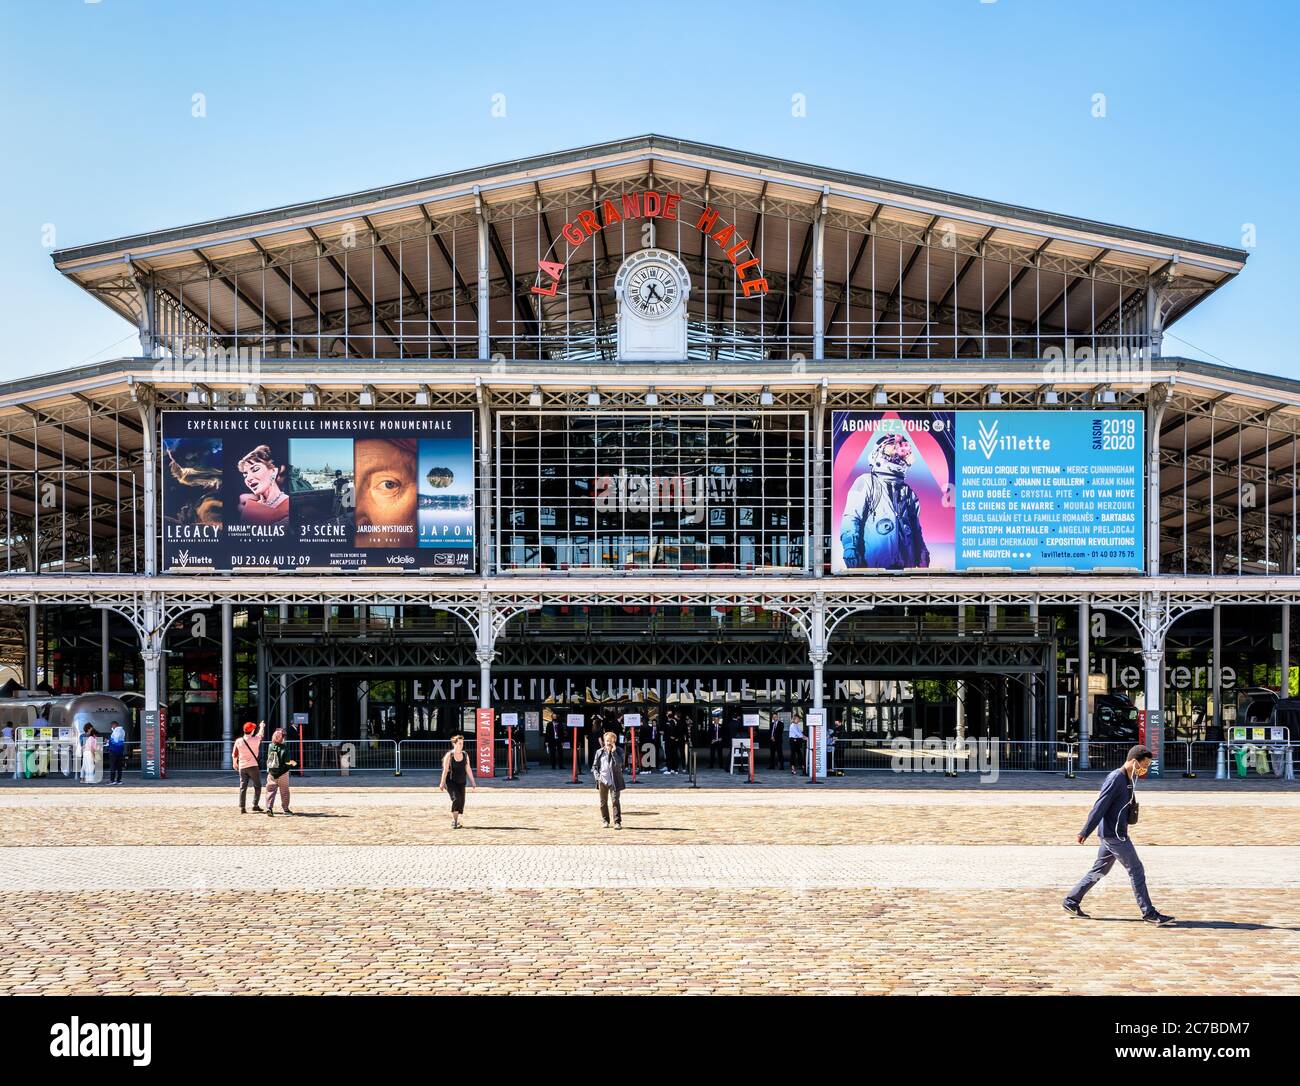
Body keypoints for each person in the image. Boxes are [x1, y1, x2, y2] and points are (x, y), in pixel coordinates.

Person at [1063, 745, 1175, 926]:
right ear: (1133, 761)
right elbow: (1100, 806)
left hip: (1113, 834)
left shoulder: (1129, 779)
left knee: (1099, 870)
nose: (1145, 769)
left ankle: (1071, 901)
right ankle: (1149, 913)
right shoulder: (1116, 778)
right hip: (1115, 836)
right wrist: (1085, 831)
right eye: (1143, 765)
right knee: (1136, 870)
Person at [439, 733, 477, 829]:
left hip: (461, 781)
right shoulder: (450, 755)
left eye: (462, 743)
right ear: (454, 744)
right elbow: (445, 770)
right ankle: (455, 822)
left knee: (461, 802)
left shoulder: (465, 754)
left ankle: (456, 820)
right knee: (456, 799)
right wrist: (442, 782)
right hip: (451, 781)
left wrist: (473, 781)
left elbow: (468, 768)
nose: (461, 745)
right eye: (459, 743)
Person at [591, 731, 625, 829]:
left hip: (614, 780)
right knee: (603, 802)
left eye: (610, 741)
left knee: (615, 801)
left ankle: (617, 822)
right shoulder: (599, 752)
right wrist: (597, 777)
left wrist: (613, 752)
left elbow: (620, 765)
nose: (608, 743)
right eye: (607, 741)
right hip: (602, 780)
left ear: (614, 741)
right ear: (604, 741)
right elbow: (595, 766)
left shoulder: (619, 751)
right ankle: (605, 820)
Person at [233, 720, 266, 813]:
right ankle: (255, 805)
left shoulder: (238, 741)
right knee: (258, 786)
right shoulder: (255, 740)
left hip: (242, 767)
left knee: (243, 787)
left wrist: (234, 763)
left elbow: (234, 754)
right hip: (253, 766)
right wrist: (262, 726)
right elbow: (261, 734)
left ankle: (242, 807)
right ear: (251, 731)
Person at [264, 728, 298, 816]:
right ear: (282, 738)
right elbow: (287, 761)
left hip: (272, 772)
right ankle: (286, 810)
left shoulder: (270, 746)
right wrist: (293, 763)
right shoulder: (284, 748)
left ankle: (269, 808)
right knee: (285, 792)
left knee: (270, 790)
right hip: (283, 773)